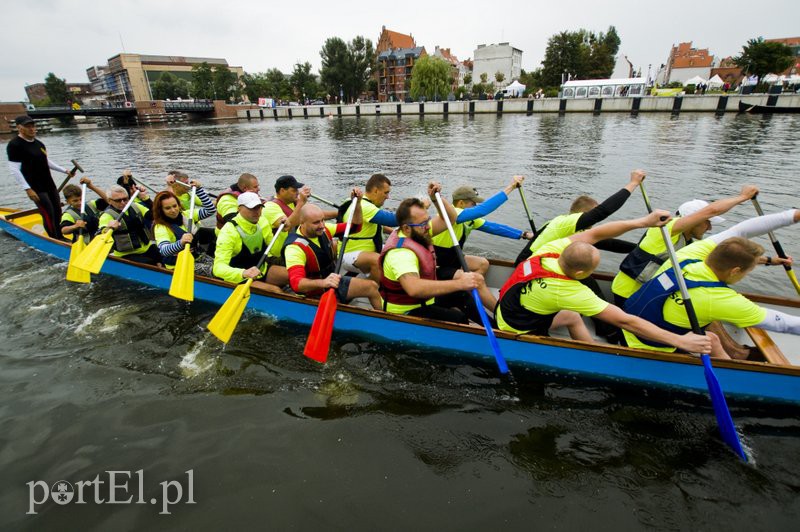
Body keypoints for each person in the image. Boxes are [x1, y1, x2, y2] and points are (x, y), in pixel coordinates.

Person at [495, 210, 713, 354]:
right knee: (576, 314)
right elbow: (627, 322)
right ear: (581, 272)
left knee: (572, 316)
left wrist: (643, 222)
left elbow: (597, 233)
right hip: (517, 328)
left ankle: (591, 353)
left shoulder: (548, 250)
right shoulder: (568, 291)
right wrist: (681, 341)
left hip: (506, 307)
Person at [623, 209, 800, 358]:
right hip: (649, 348)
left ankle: (736, 355)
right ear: (735, 271)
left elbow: (741, 230)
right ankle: (732, 375)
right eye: (748, 271)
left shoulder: (687, 256)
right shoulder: (720, 298)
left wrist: (794, 215)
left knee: (711, 334)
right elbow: (784, 323)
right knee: (711, 335)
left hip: (627, 325)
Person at [611, 185, 760, 306]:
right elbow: (711, 211)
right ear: (693, 220)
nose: (709, 228)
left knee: (703, 302)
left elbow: (725, 256)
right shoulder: (666, 229)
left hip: (648, 293)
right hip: (628, 293)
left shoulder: (690, 243)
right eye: (707, 222)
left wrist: (769, 261)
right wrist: (743, 197)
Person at [379, 184, 496, 324]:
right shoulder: (401, 254)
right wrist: (460, 283)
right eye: (423, 224)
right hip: (406, 310)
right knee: (458, 319)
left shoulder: (418, 231)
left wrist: (436, 199)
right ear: (406, 228)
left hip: (424, 300)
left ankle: (495, 327)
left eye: (428, 220)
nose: (428, 226)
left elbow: (451, 218)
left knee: (461, 296)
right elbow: (414, 289)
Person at [516, 169, 647, 265]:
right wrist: (633, 183)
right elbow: (603, 211)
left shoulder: (573, 228)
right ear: (582, 214)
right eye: (591, 216)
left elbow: (609, 243)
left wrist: (642, 249)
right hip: (528, 264)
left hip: (541, 262)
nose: (593, 221)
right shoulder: (566, 223)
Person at [284, 193, 382, 309]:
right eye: (316, 222)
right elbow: (297, 284)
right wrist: (324, 282)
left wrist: (358, 204)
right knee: (370, 287)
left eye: (322, 220)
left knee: (372, 286)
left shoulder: (325, 229)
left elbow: (355, 227)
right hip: (313, 292)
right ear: (302, 223)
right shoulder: (294, 249)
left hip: (332, 282)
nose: (321, 225)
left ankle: (384, 317)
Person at [433, 176, 532, 279]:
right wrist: (511, 187)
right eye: (473, 203)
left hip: (452, 258)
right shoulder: (452, 214)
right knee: (469, 277)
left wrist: (523, 234)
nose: (475, 206)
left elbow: (494, 227)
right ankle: (463, 287)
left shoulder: (469, 220)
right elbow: (483, 210)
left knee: (483, 264)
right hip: (438, 261)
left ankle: (469, 288)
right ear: (461, 203)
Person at [6, 115, 75, 239]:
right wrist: (27, 189)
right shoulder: (14, 145)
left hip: (48, 183)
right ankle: (54, 239)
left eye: (33, 126)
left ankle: (60, 236)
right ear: (19, 128)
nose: (32, 129)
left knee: (57, 210)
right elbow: (14, 169)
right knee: (48, 212)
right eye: (28, 126)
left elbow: (46, 161)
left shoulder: (39, 144)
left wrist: (64, 170)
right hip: (35, 187)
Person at [213, 192, 288, 292]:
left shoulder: (262, 221)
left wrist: (282, 231)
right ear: (239, 209)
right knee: (276, 290)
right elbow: (218, 268)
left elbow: (275, 251)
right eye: (251, 208)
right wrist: (243, 273)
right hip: (240, 278)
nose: (257, 212)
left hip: (261, 270)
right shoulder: (228, 232)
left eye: (259, 207)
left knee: (294, 277)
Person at [339, 173, 398, 280]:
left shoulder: (352, 201)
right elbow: (393, 220)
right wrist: (417, 209)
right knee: (377, 260)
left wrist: (394, 233)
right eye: (386, 193)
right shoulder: (365, 206)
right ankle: (377, 290)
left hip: (363, 252)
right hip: (349, 254)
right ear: (376, 191)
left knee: (399, 250)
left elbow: (376, 226)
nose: (388, 197)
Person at [151, 181, 216, 274]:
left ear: (178, 205)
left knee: (220, 267)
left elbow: (211, 209)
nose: (173, 210)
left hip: (195, 256)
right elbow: (164, 250)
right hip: (178, 264)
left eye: (174, 206)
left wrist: (199, 190)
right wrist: (181, 242)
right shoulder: (160, 227)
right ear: (160, 210)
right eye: (167, 208)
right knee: (215, 272)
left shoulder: (187, 215)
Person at [98, 184, 162, 265]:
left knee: (164, 256)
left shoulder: (135, 206)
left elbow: (153, 215)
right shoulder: (107, 216)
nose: (123, 203)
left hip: (147, 247)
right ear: (109, 200)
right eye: (118, 200)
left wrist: (146, 199)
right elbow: (100, 233)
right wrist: (108, 227)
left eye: (125, 199)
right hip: (126, 254)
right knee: (149, 262)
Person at [60, 177, 109, 244]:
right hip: (85, 245)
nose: (80, 202)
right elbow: (64, 230)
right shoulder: (68, 214)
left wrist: (91, 186)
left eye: (81, 199)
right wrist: (75, 226)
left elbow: (109, 200)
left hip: (101, 241)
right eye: (75, 201)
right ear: (67, 201)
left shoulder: (91, 204)